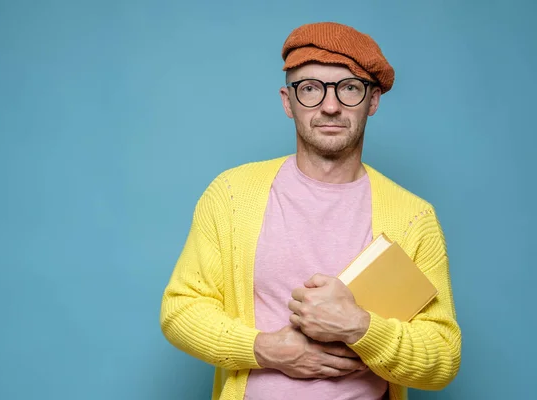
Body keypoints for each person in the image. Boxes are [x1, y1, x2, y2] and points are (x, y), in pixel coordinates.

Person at [160, 21, 461, 400]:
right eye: (311, 89)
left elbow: (443, 356)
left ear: (373, 101)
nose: (330, 106)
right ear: (289, 102)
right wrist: (267, 350)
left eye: (349, 88)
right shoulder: (232, 195)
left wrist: (359, 327)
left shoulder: (413, 217)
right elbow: (181, 310)